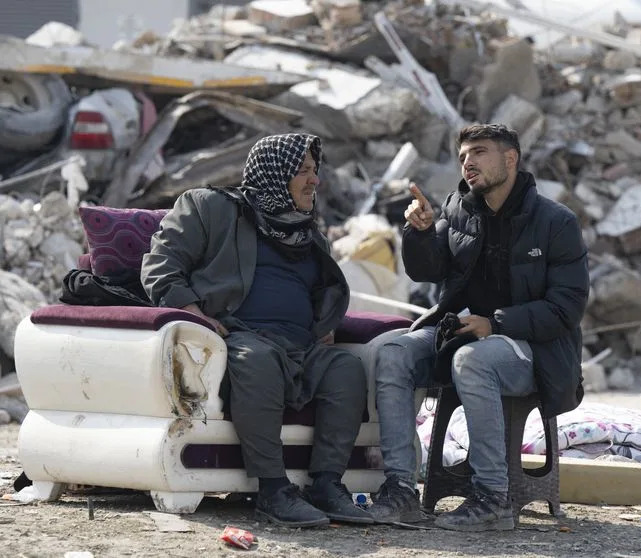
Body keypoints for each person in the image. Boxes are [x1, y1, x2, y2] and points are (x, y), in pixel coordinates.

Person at [141, 133, 372, 528]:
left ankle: (326, 485)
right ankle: (272, 490)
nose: (314, 181)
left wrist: (324, 324)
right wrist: (195, 316)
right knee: (258, 361)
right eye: (303, 171)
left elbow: (322, 293)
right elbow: (160, 266)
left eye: (315, 171)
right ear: (273, 173)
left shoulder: (307, 233)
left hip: (301, 346)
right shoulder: (209, 207)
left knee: (346, 369)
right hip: (238, 336)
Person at [368, 124, 590, 531]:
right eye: (463, 156)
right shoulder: (459, 211)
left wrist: (497, 323)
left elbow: (567, 308)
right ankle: (400, 489)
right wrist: (418, 233)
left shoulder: (556, 222)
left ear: (510, 159)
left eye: (479, 152)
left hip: (534, 352)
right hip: (463, 337)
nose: (468, 162)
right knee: (394, 352)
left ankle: (492, 499)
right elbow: (425, 270)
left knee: (473, 360)